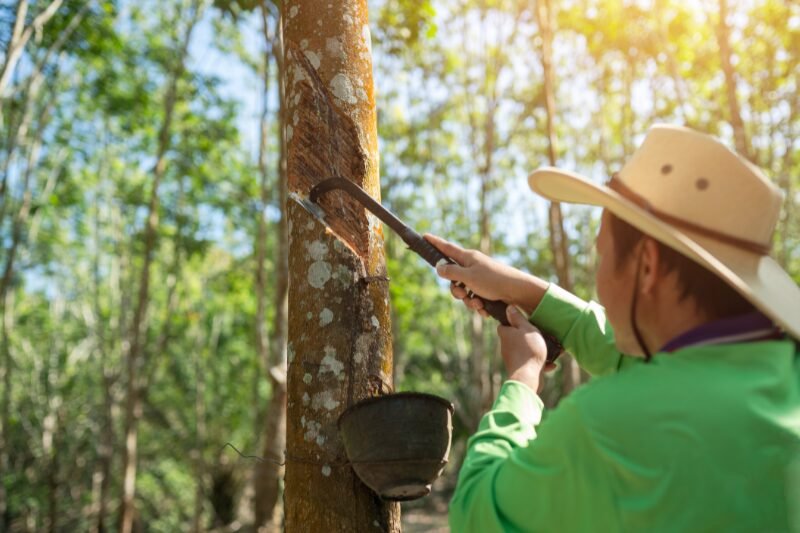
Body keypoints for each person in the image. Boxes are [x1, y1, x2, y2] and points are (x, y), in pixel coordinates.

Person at [425, 124, 800, 532]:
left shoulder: (608, 425)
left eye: (602, 256)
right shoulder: (782, 374)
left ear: (648, 266)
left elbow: (478, 512)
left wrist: (522, 376)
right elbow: (660, 366)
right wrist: (526, 291)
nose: (600, 278)